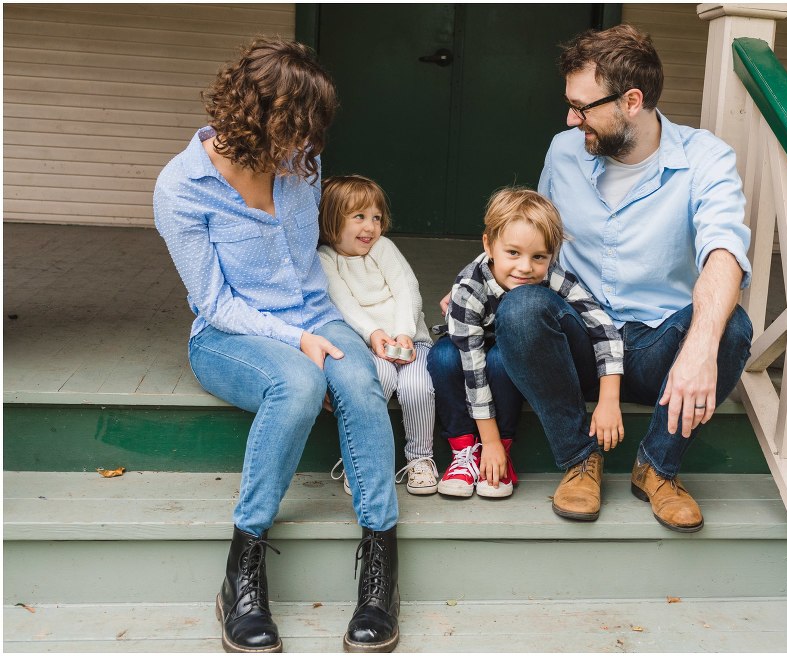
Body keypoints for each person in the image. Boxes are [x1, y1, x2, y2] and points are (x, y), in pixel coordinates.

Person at [154, 39, 400, 653]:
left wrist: (366, 322)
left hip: (318, 315)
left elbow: (322, 261)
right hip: (231, 334)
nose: (305, 150)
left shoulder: (302, 159)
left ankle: (380, 569)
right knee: (296, 383)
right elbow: (213, 303)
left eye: (311, 135)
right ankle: (243, 567)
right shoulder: (182, 188)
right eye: (294, 133)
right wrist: (296, 340)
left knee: (363, 385)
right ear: (252, 118)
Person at [489, 24, 753, 531]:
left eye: (583, 107)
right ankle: (578, 459)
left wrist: (699, 348)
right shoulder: (564, 150)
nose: (571, 118)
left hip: (659, 350)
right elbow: (530, 238)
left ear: (631, 101)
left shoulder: (704, 158)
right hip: (581, 344)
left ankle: (657, 467)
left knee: (732, 327)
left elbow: (725, 250)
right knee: (520, 308)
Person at [428, 188, 624, 502]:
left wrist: (609, 397)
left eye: (539, 257)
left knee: (501, 362)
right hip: (470, 356)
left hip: (512, 359)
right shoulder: (469, 289)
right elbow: (473, 372)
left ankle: (503, 451)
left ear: (552, 256)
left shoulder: (551, 277)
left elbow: (602, 327)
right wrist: (485, 441)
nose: (525, 268)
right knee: (442, 357)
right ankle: (465, 452)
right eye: (513, 253)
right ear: (488, 245)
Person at [317, 175, 439, 496]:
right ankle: (362, 456)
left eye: (376, 217)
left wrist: (403, 332)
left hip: (410, 340)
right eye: (359, 217)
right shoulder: (325, 259)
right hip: (368, 345)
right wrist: (373, 333)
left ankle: (420, 459)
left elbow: (406, 289)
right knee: (375, 380)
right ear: (331, 221)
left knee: (417, 386)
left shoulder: (383, 248)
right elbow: (342, 302)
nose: (371, 226)